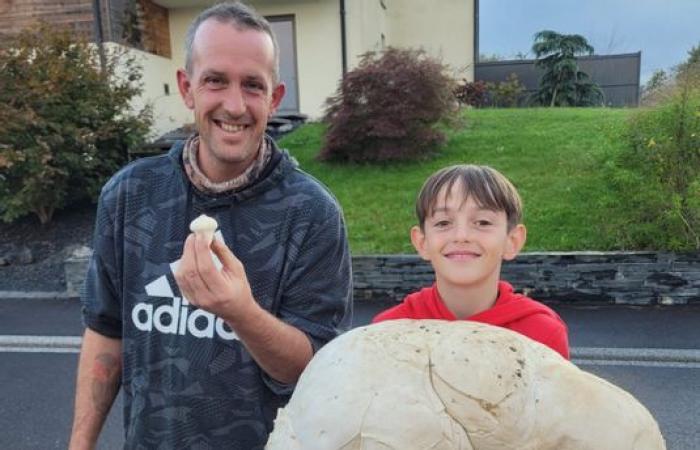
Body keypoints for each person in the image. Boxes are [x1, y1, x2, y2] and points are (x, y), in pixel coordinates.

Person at [69, 2, 352, 449]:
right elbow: (106, 331)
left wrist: (241, 312)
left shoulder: (311, 214)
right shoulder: (129, 196)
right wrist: (80, 444)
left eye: (253, 86)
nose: (235, 105)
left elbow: (314, 369)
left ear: (275, 98)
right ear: (187, 88)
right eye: (216, 80)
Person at [372, 164, 569, 359]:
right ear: (422, 242)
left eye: (482, 222)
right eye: (443, 223)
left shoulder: (542, 336)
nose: (461, 236)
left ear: (512, 240)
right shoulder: (386, 333)